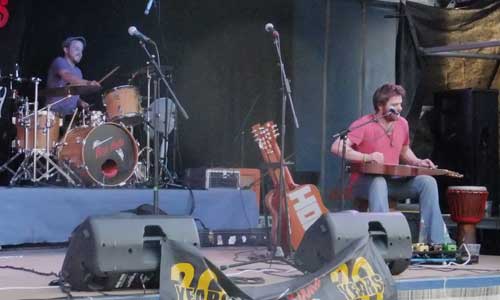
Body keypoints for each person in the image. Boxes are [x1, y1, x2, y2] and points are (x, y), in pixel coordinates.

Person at [330, 83, 452, 244]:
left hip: (393, 182)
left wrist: (418, 161)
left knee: (427, 182)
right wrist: (367, 157)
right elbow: (337, 147)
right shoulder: (364, 124)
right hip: (363, 182)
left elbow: (404, 150)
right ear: (380, 106)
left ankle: (437, 243)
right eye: (394, 105)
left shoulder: (402, 124)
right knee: (379, 182)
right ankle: (383, 242)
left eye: (400, 104)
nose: (400, 108)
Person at [45, 36, 100, 116]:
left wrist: (80, 102)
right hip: (53, 114)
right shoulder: (59, 61)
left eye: (81, 51)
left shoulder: (78, 71)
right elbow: (67, 76)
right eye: (77, 49)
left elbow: (74, 93)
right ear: (66, 50)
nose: (80, 53)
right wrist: (88, 83)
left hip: (70, 115)